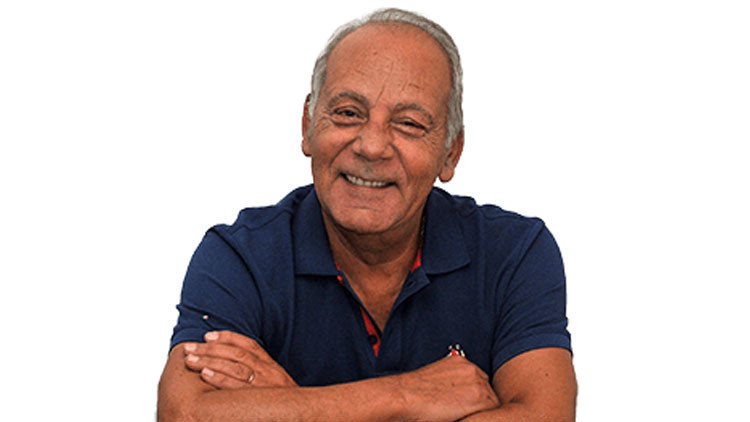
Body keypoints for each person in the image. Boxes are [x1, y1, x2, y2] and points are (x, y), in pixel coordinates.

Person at [158, 8, 576, 421]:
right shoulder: (241, 256)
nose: (371, 146)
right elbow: (185, 416)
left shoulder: (514, 253)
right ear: (307, 125)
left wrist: (291, 405)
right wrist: (406, 396)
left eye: (409, 123)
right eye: (347, 113)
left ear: (451, 153)